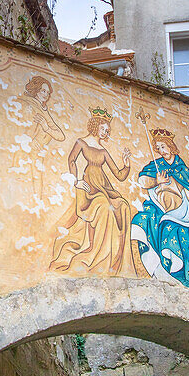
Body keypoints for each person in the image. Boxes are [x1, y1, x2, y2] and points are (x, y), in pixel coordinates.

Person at [49, 108, 138, 275]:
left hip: (104, 186)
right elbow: (72, 160)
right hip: (88, 187)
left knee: (123, 206)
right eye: (103, 129)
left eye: (107, 130)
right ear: (95, 126)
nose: (105, 132)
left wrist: (127, 164)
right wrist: (76, 181)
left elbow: (119, 175)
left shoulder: (103, 151)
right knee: (104, 206)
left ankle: (114, 257)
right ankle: (94, 250)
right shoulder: (82, 142)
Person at [130, 128, 189, 298]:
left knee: (174, 231)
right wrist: (156, 181)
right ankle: (154, 270)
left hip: (182, 215)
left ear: (171, 146)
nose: (162, 151)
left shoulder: (181, 169)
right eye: (158, 148)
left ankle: (177, 277)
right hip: (159, 208)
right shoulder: (157, 165)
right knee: (140, 220)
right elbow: (142, 180)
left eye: (164, 147)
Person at [12, 76, 65, 198]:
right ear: (36, 90)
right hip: (25, 151)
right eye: (43, 91)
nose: (46, 94)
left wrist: (46, 127)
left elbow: (61, 136)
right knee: (25, 184)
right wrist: (29, 142)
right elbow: (18, 128)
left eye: (48, 92)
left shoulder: (43, 111)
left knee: (36, 184)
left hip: (37, 154)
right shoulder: (26, 104)